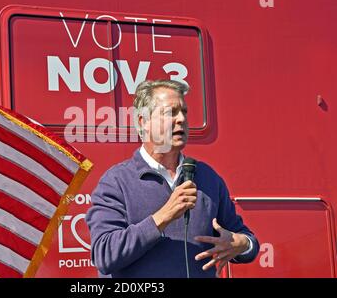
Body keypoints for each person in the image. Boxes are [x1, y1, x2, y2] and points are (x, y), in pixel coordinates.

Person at [85, 79, 259, 278]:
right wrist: (163, 217)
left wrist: (242, 244)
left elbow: (247, 238)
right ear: (144, 121)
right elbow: (104, 254)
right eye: (170, 112)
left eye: (184, 112)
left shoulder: (207, 177)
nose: (181, 119)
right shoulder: (117, 181)